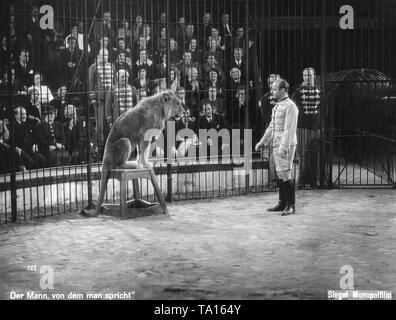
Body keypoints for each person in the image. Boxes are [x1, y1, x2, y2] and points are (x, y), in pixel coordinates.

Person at [255, 79, 298, 216]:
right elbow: (272, 127)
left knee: (285, 173)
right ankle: (282, 202)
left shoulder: (291, 106)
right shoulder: (278, 105)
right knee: (280, 174)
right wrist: (263, 141)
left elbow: (289, 130)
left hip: (286, 144)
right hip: (276, 143)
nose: (271, 91)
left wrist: (283, 147)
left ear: (283, 90)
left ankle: (291, 205)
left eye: (274, 89)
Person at [291, 67, 322, 188]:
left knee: (315, 153)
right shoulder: (297, 92)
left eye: (309, 75)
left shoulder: (320, 91)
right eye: (304, 75)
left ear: (314, 76)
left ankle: (315, 180)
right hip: (301, 126)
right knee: (302, 153)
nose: (307, 78)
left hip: (316, 126)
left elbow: (324, 109)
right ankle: (302, 180)